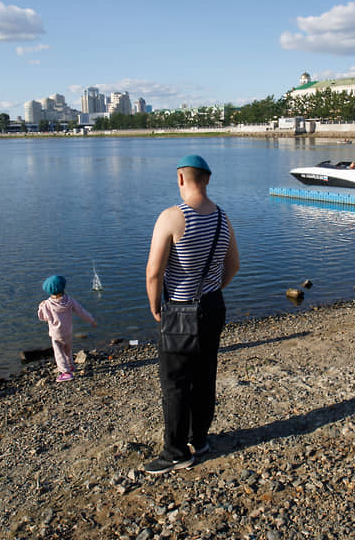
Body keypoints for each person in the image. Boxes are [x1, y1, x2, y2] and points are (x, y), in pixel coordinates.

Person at [144, 154, 240, 475]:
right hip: (213, 307)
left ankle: (174, 452)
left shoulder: (172, 217)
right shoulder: (222, 218)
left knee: (175, 382)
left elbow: (154, 273)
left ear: (180, 179)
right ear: (208, 179)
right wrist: (211, 290)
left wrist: (155, 305)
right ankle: (199, 440)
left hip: (180, 310)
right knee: (205, 375)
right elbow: (233, 265)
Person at [37, 275, 97, 382]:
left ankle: (66, 372)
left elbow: (43, 318)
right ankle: (70, 365)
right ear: (63, 287)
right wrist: (91, 320)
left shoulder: (47, 304)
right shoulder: (69, 300)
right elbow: (81, 311)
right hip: (68, 332)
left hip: (56, 334)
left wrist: (40, 307)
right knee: (67, 350)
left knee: (59, 353)